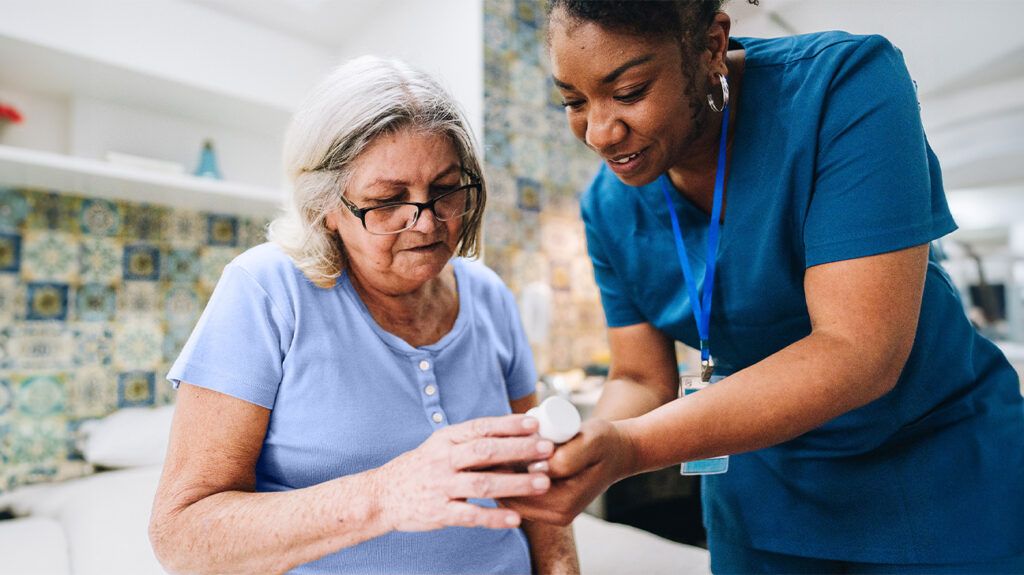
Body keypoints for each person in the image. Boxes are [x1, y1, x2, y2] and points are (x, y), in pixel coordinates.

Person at [502, 1, 1024, 573]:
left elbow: (859, 351)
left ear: (709, 47)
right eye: (573, 102)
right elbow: (638, 377)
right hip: (762, 499)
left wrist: (631, 448)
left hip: (935, 482)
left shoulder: (843, 87)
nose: (599, 132)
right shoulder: (607, 205)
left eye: (628, 91)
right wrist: (586, 444)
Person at [149, 56, 579, 575]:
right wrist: (384, 495)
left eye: (445, 190)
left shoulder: (488, 295)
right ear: (325, 208)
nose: (425, 222)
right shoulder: (266, 290)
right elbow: (181, 536)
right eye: (388, 200)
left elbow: (538, 487)